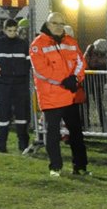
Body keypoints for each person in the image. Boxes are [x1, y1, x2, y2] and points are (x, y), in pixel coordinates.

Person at [30, 13, 89, 177]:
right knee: (53, 133)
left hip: (70, 95)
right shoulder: (38, 44)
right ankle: (55, 167)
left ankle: (80, 166)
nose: (58, 26)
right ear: (47, 24)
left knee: (76, 132)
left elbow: (80, 62)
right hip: (51, 97)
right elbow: (41, 71)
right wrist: (64, 81)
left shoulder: (70, 41)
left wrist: (75, 79)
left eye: (61, 23)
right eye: (55, 23)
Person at [0, 18, 31, 150]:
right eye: (9, 30)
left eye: (14, 30)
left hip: (20, 83)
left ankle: (23, 143)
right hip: (4, 83)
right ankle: (1, 142)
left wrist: (23, 71)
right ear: (4, 30)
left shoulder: (23, 44)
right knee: (4, 113)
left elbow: (29, 61)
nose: (12, 33)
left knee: (22, 113)